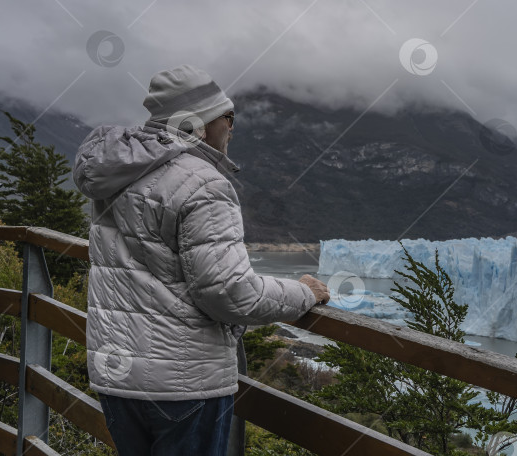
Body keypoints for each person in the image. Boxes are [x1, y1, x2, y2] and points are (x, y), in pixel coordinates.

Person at [73, 64, 330, 455]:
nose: (232, 127)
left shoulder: (117, 174)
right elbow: (230, 293)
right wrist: (303, 292)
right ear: (201, 123)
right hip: (183, 383)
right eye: (228, 117)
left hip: (117, 379)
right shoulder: (203, 182)